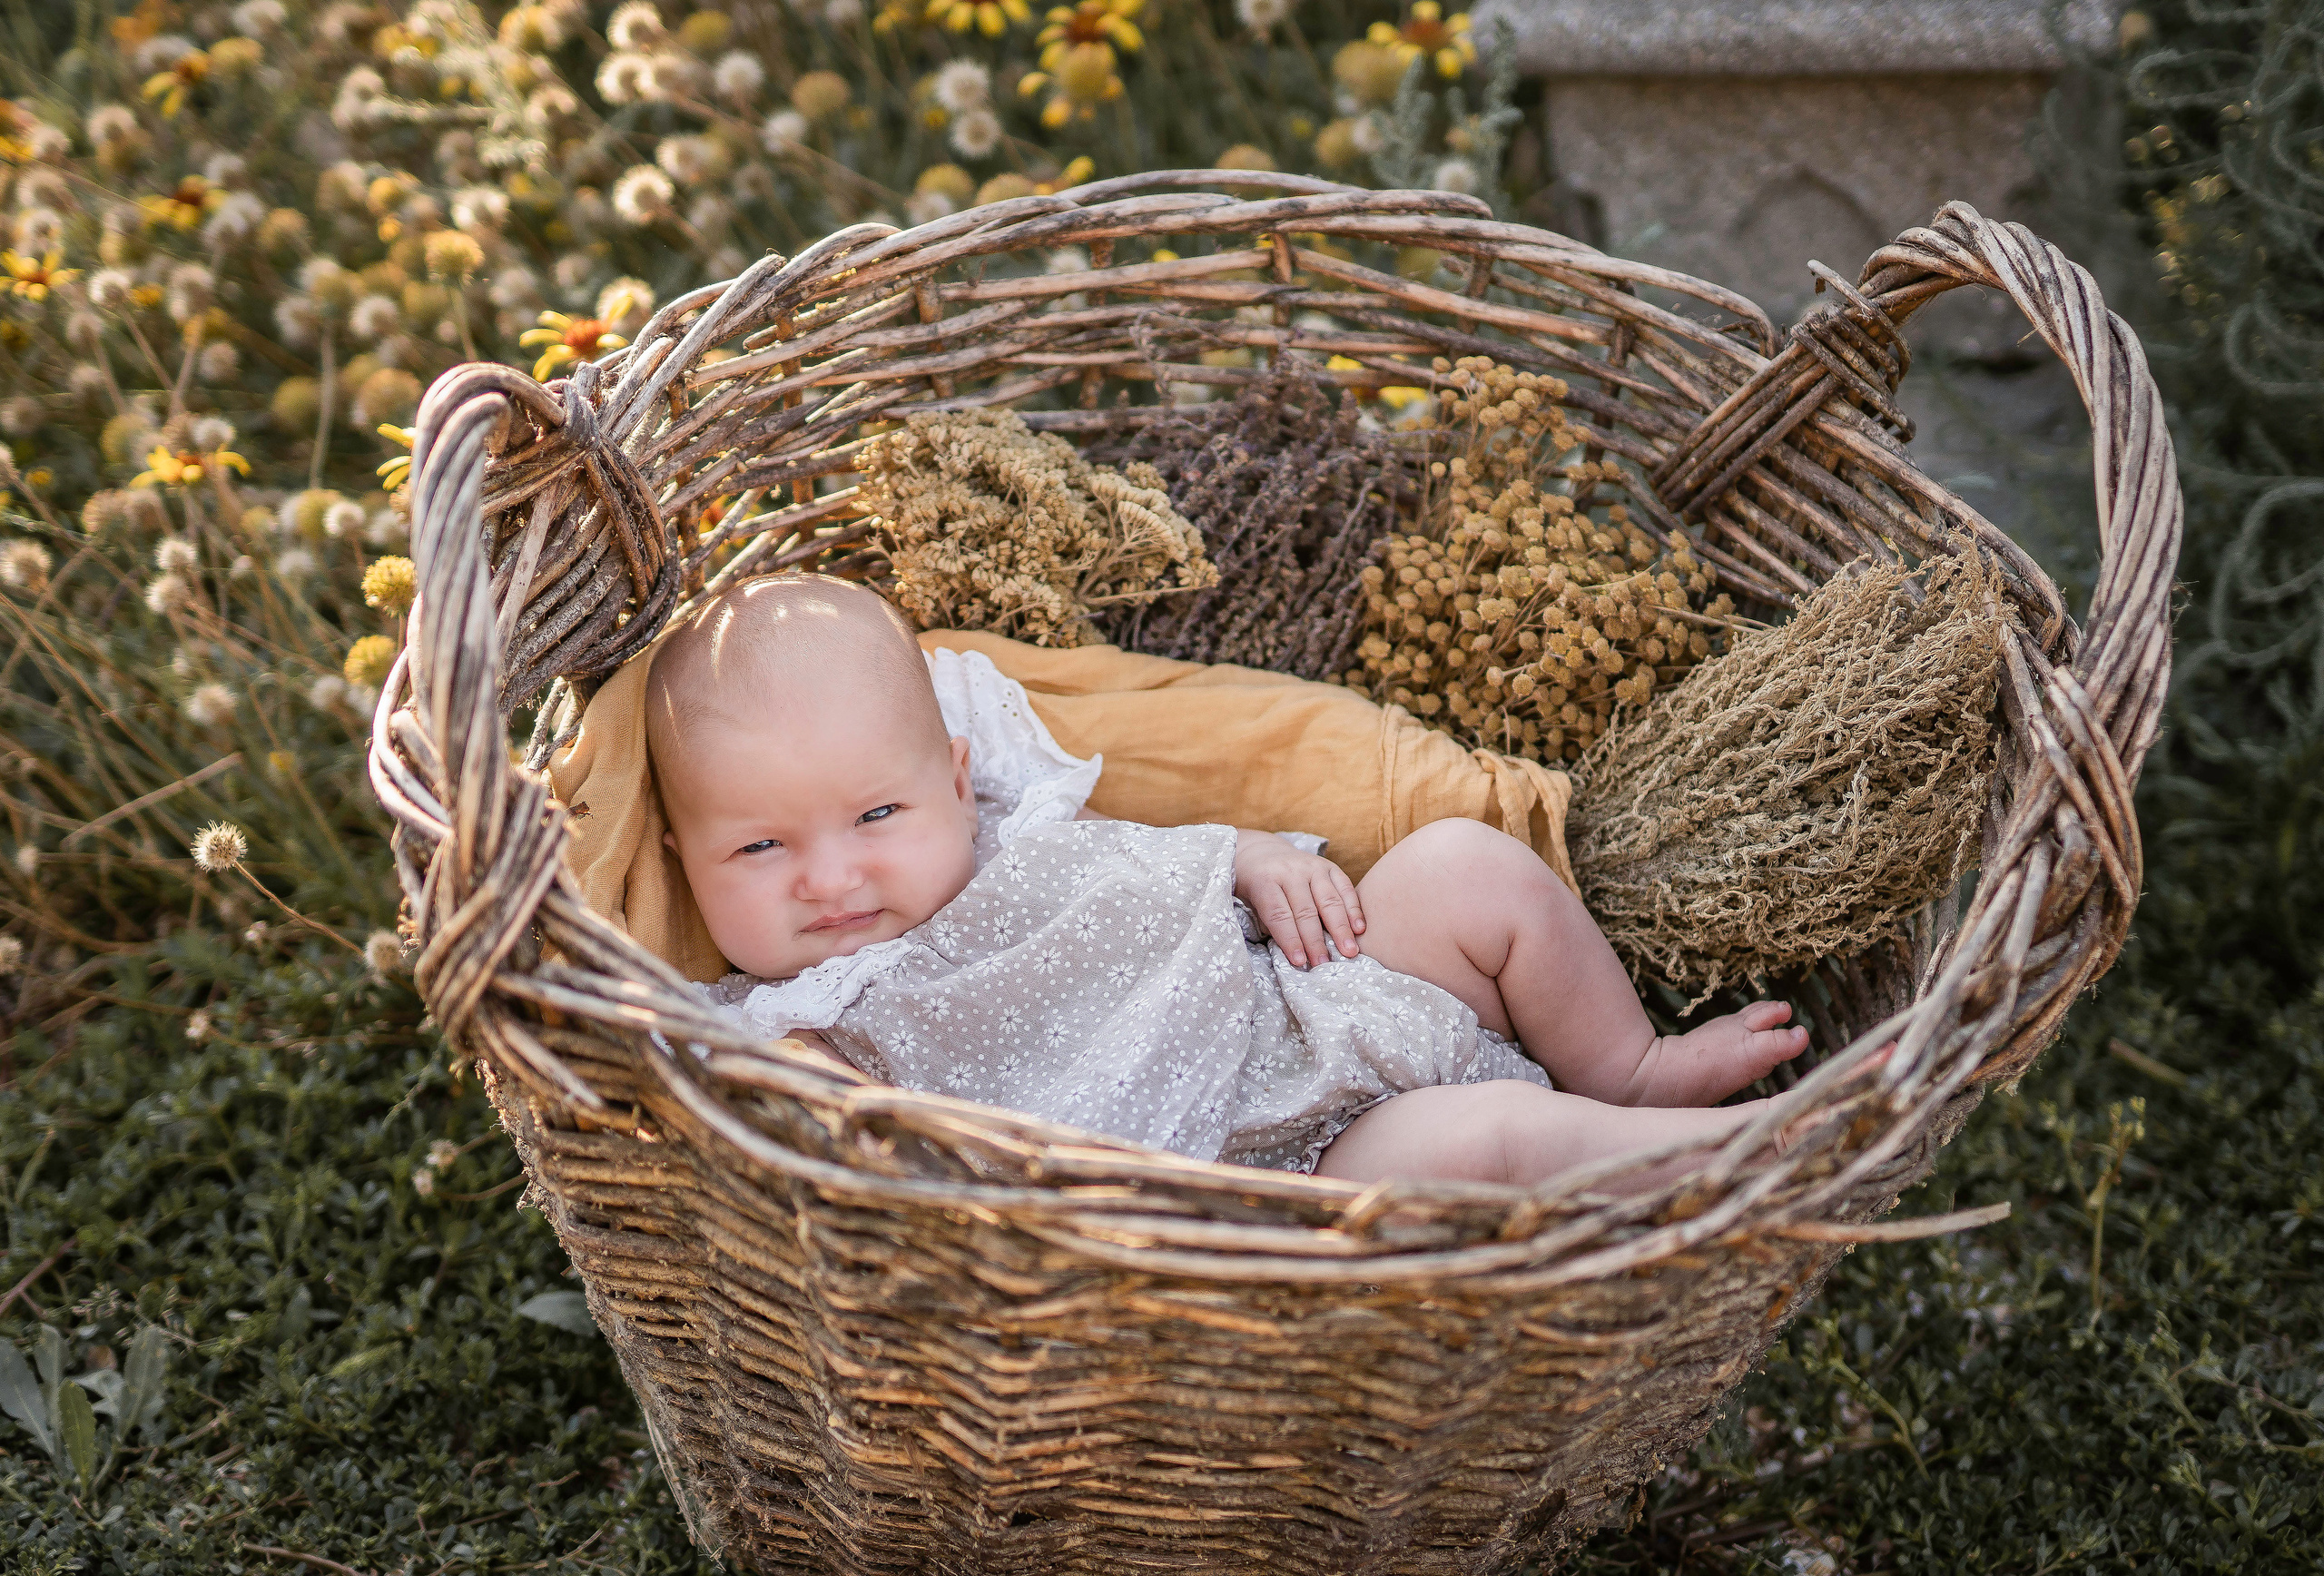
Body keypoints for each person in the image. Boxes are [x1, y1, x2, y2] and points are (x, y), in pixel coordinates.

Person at [649, 575, 1812, 1186]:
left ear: (957, 779)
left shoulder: (1010, 823)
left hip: (1308, 992)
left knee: (1467, 866)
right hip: (1268, 1176)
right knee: (1492, 1140)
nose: (830, 875)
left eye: (875, 813)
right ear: (682, 861)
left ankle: (1628, 1067)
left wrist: (1251, 857)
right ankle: (1724, 1172)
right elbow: (843, 1159)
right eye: (758, 848)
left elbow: (1147, 849)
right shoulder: (797, 1029)